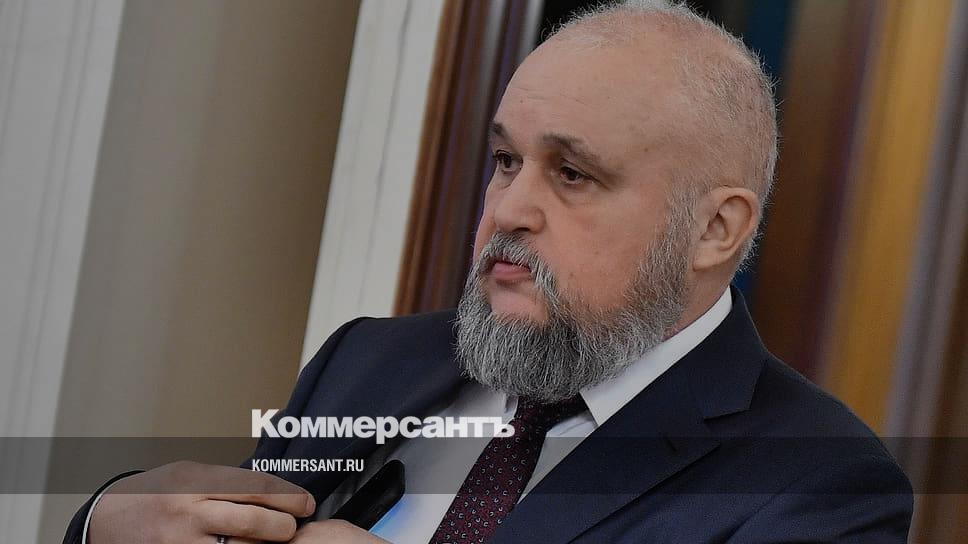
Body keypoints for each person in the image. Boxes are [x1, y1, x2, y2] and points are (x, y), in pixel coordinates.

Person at [65, 1, 913, 542]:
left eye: (572, 174)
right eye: (506, 161)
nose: (510, 209)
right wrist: (101, 524)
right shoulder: (365, 361)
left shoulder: (817, 485)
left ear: (715, 229)